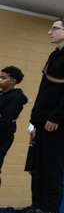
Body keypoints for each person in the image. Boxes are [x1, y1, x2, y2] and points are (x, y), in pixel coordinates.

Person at [9, 19, 64, 213]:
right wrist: (36, 120)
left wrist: (57, 117)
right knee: (39, 168)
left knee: (53, 168)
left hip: (57, 122)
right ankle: (37, 209)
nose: (49, 32)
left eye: (55, 28)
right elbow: (46, 90)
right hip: (43, 121)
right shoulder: (56, 55)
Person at [0, 65, 28, 193]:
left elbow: (5, 121)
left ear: (13, 81)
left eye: (3, 78)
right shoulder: (3, 95)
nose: (0, 79)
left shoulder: (14, 98)